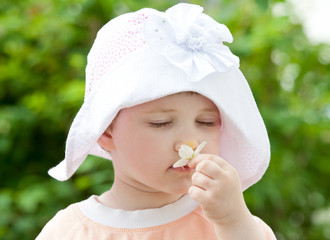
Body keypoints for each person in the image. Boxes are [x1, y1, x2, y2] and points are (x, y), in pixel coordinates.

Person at [37, 3, 277, 239]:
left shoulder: (229, 225)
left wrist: (233, 221)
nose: (191, 142)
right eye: (161, 123)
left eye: (206, 122)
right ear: (106, 130)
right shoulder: (68, 231)